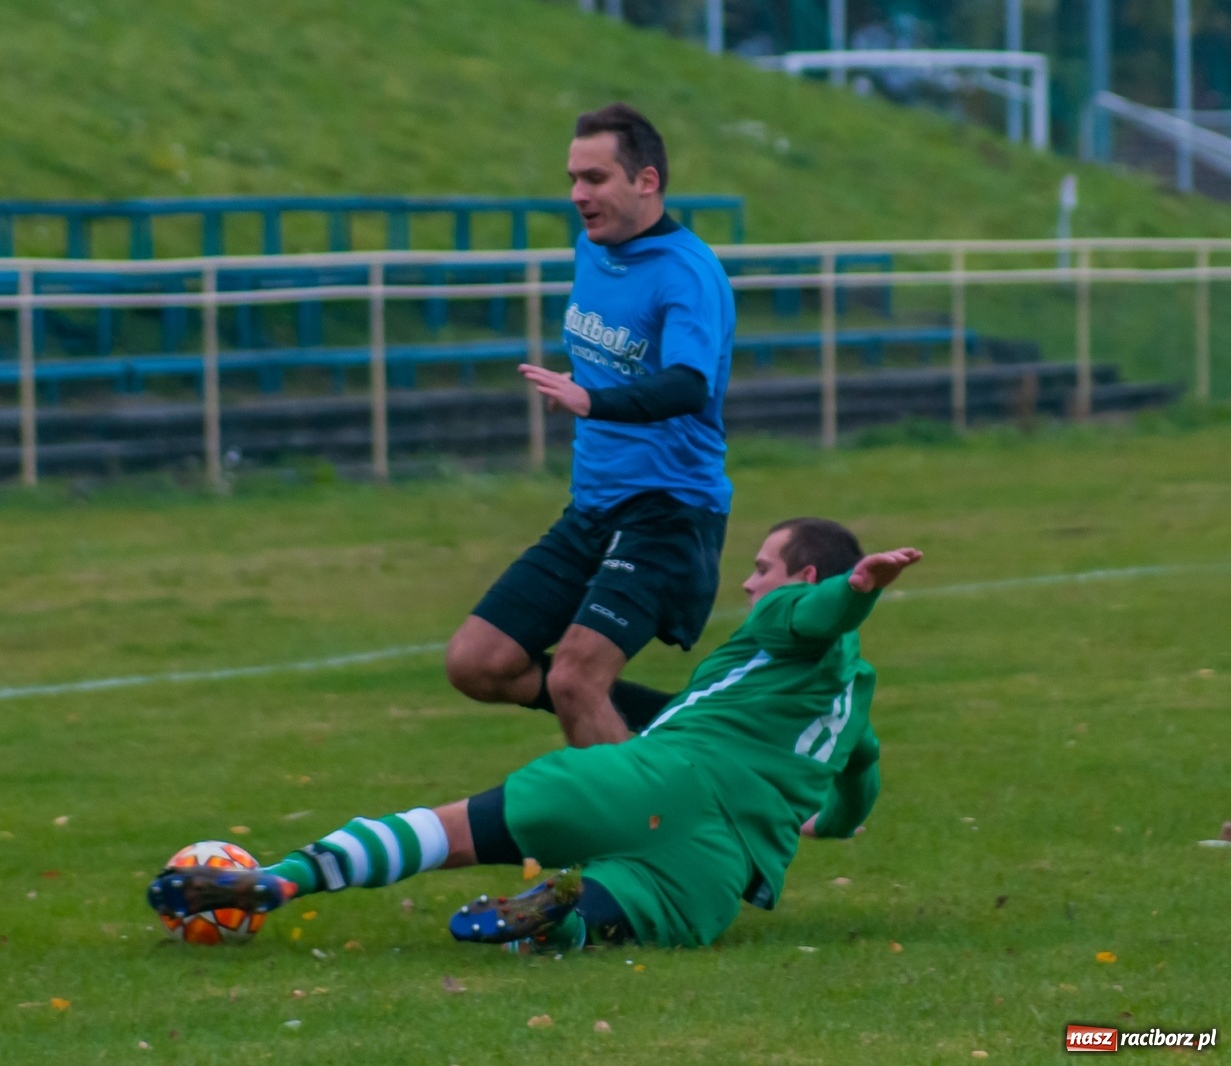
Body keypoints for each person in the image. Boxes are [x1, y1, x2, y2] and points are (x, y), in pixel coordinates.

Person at [149, 519, 922, 950]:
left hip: (655, 780)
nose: (750, 582)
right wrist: (822, 823)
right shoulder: (854, 706)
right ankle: (567, 920)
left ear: (802, 577)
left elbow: (817, 616)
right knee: (614, 918)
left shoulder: (786, 619)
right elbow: (861, 786)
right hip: (722, 872)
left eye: (762, 566)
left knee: (451, 832)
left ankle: (291, 876)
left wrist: (857, 590)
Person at [443, 102, 737, 748]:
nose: (578, 195)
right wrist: (588, 391)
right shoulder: (593, 249)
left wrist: (593, 402)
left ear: (647, 181)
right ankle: (710, 737)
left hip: (669, 514)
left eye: (596, 178)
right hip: (594, 508)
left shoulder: (688, 273)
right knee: (477, 662)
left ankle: (627, 841)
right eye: (573, 178)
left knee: (577, 679)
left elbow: (690, 383)